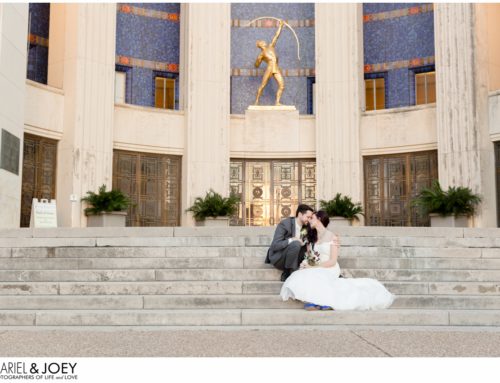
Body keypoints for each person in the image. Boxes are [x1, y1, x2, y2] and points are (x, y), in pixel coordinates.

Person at [280, 210, 395, 311]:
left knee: (316, 275)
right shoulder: (312, 237)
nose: (310, 221)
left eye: (312, 218)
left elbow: (333, 261)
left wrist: (314, 266)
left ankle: (322, 302)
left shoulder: (332, 237)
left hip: (330, 267)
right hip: (316, 265)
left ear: (319, 219)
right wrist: (307, 263)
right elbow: (310, 256)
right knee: (303, 274)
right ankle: (317, 301)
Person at [265, 204, 314, 281]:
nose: (309, 220)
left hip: (298, 257)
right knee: (296, 244)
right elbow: (275, 245)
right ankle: (287, 271)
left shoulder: (307, 227)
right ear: (300, 214)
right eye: (308, 217)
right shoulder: (285, 224)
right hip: (280, 258)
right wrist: (292, 239)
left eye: (310, 218)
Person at [254, 19, 285, 106]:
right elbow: (256, 66)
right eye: (262, 42)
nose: (264, 41)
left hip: (276, 69)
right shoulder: (261, 54)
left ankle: (277, 102)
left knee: (282, 85)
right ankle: (256, 101)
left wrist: (280, 26)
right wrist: (258, 60)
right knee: (262, 86)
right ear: (260, 45)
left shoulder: (271, 46)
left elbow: (276, 36)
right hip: (269, 69)